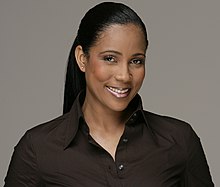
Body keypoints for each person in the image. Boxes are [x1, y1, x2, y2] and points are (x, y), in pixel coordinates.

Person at [4, 2, 214, 187]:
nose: (124, 75)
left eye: (136, 61)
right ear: (82, 58)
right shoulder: (37, 149)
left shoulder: (179, 140)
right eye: (110, 58)